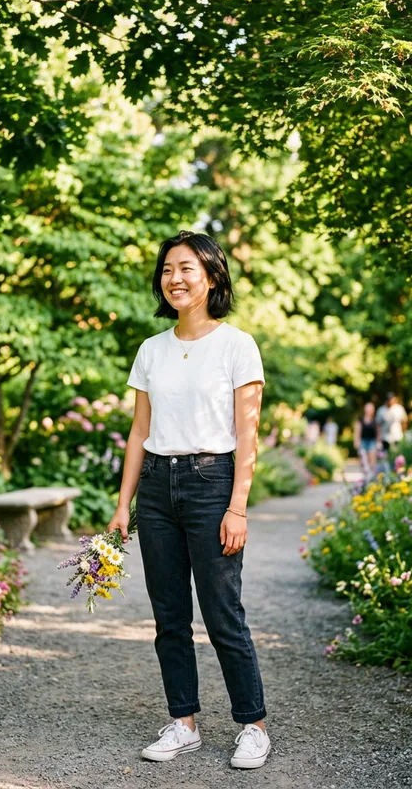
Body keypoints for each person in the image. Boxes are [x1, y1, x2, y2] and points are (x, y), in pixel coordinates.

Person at [108, 230, 270, 770]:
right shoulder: (150, 350)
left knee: (223, 613)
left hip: (211, 484)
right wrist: (123, 504)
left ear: (212, 277)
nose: (174, 278)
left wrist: (237, 506)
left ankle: (252, 726)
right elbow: (139, 432)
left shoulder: (237, 345)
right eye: (167, 269)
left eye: (186, 269)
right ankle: (184, 723)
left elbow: (247, 435)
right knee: (170, 617)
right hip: (157, 488)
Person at [353, 402, 379, 477]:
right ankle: (365, 476)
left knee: (372, 460)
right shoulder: (361, 420)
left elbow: (378, 432)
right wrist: (356, 441)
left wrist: (378, 442)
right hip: (363, 441)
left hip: (372, 441)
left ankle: (372, 475)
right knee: (364, 460)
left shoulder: (375, 421)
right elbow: (357, 432)